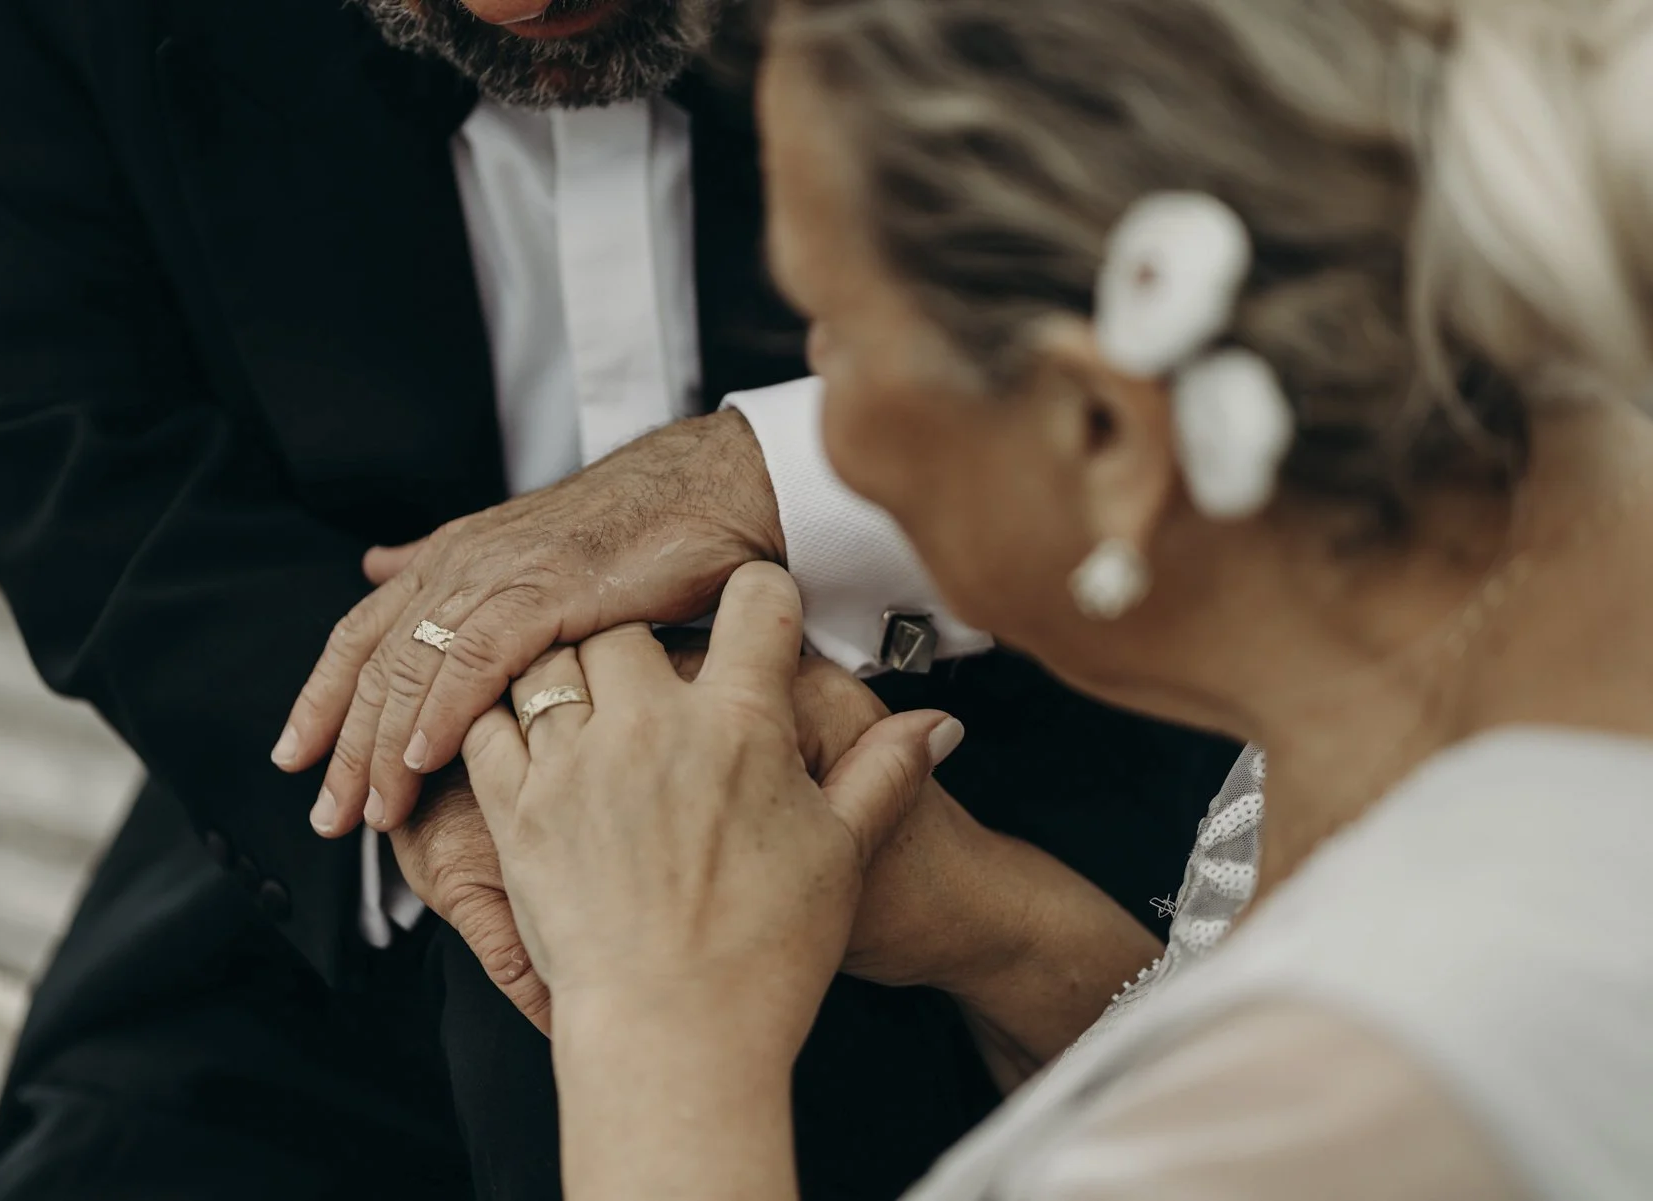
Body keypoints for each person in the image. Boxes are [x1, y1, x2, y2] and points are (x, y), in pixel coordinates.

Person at [0, 0, 1236, 1197]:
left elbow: (1255, 325)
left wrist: (769, 478)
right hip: (363, 859)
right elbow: (62, 429)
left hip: (1014, 760)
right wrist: (440, 763)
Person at [454, 0, 1653, 1197]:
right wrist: (996, 927)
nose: (812, 426)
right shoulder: (1472, 689)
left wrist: (664, 1009)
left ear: (1101, 431)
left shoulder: (1373, 1082)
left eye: (841, 339)